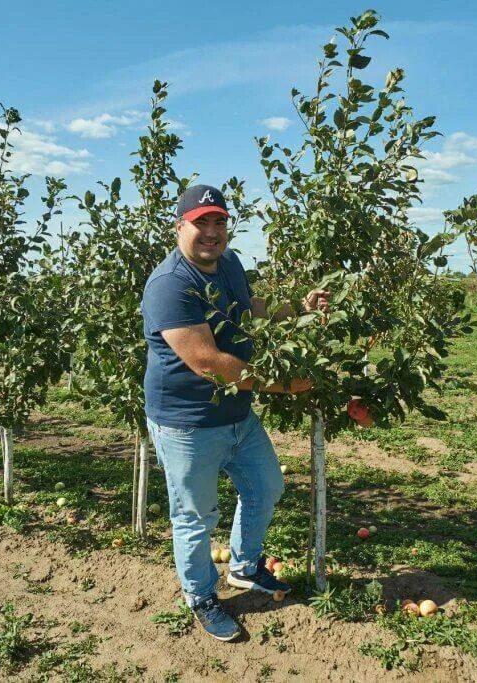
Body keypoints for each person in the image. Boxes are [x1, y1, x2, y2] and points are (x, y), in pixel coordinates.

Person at [141, 184, 328, 641]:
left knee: (267, 486)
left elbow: (250, 310)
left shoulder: (228, 265)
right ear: (180, 226)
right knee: (194, 516)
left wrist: (295, 311)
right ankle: (201, 596)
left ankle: (244, 566)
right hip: (188, 422)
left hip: (238, 413)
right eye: (200, 222)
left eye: (219, 222)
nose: (211, 231)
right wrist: (286, 385)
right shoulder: (170, 285)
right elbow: (207, 361)